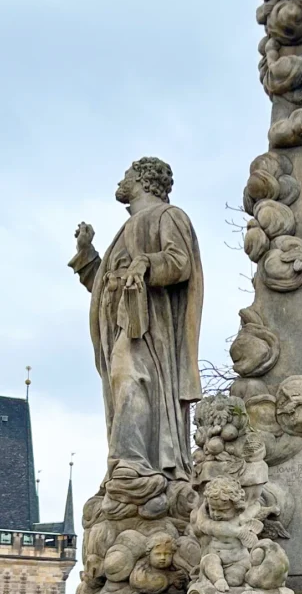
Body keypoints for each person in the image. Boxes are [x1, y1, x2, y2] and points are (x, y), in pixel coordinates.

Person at [69, 157, 203, 512]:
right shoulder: (128, 227)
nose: (122, 179)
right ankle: (127, 462)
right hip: (122, 324)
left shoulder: (168, 216)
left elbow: (180, 263)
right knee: (124, 384)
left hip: (149, 328)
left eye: (127, 174)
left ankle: (132, 464)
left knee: (132, 379)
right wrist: (87, 256)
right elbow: (105, 284)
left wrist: (147, 264)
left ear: (143, 179)